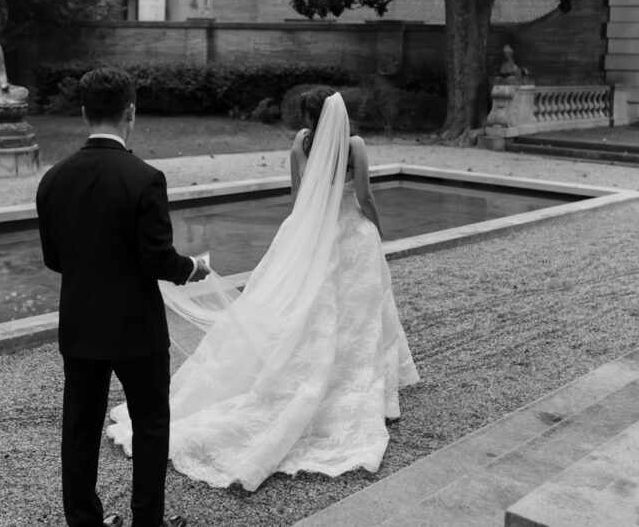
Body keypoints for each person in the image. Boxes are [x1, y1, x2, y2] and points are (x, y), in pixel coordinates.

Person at [107, 87, 419, 491]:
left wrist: (297, 240)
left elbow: (296, 200)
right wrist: (378, 229)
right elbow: (365, 196)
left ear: (307, 118)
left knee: (298, 308)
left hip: (306, 233)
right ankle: (352, 383)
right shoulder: (354, 144)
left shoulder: (298, 144)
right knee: (355, 312)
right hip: (350, 234)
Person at [36, 68, 209, 527]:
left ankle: (85, 522)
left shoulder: (53, 179)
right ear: (131, 111)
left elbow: (55, 259)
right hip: (137, 328)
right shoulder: (145, 177)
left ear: (82, 113)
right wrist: (192, 268)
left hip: (81, 325)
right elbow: (158, 261)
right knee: (151, 426)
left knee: (79, 429)